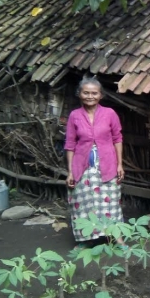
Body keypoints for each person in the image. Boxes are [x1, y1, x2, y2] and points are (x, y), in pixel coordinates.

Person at [64, 77, 126, 248]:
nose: (90, 96)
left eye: (94, 93)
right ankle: (85, 239)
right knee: (83, 203)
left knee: (111, 202)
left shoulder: (109, 114)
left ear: (100, 95)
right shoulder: (74, 116)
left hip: (107, 165)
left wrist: (120, 164)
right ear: (80, 94)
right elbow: (70, 144)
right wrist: (70, 172)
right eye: (86, 93)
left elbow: (117, 139)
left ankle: (117, 237)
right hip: (82, 166)